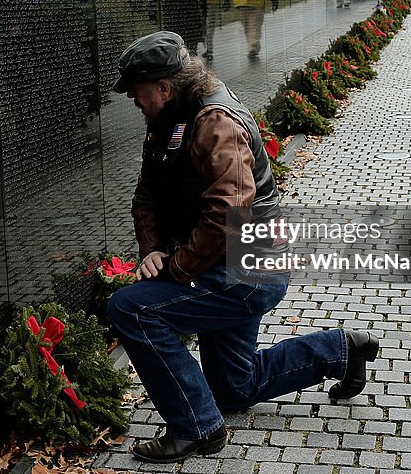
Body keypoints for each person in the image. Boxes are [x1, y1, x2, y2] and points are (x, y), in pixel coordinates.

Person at [107, 32, 380, 464]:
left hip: (249, 269)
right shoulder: (166, 121)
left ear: (164, 88)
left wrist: (176, 269)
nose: (132, 100)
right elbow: (146, 196)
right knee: (234, 389)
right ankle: (342, 348)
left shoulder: (215, 123)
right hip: (220, 262)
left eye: (137, 91)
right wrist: (152, 250)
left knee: (131, 308)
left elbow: (225, 213)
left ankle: (196, 428)